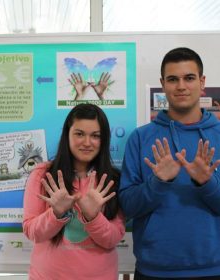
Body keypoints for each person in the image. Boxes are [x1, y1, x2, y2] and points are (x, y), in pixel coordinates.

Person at [119, 47, 220, 279]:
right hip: (154, 270)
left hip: (214, 269)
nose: (181, 86)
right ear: (163, 84)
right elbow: (128, 208)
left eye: (189, 78)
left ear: (202, 82)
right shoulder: (140, 138)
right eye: (173, 79)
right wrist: (158, 182)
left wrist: (207, 183)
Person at [23, 103, 125, 280]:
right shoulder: (43, 174)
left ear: (104, 139)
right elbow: (33, 233)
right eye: (79, 134)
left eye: (95, 136)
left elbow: (112, 239)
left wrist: (93, 217)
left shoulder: (112, 179)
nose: (87, 142)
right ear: (67, 135)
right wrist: (56, 213)